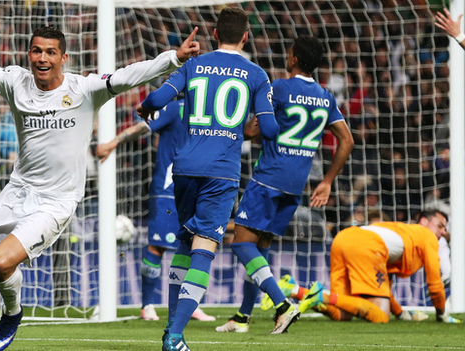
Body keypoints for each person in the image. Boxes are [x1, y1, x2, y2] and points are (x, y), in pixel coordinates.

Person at [0, 5, 200, 351]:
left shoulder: (86, 88)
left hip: (56, 201)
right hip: (18, 191)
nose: (42, 58)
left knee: (1, 261)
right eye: (36, 51)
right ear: (29, 54)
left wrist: (174, 58)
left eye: (50, 52)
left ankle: (13, 314)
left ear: (63, 57)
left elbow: (129, 74)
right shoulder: (15, 83)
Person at [136, 7, 280, 351]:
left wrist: (144, 108)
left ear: (215, 35)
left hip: (182, 168)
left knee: (185, 243)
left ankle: (172, 326)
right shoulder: (257, 74)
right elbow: (271, 130)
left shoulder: (194, 64)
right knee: (205, 247)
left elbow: (156, 99)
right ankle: (174, 337)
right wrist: (256, 126)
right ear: (246, 37)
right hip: (220, 172)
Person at [215, 35, 354, 334]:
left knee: (240, 244)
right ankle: (242, 317)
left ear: (292, 59)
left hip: (268, 177)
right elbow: (347, 140)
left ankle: (282, 304)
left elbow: (253, 131)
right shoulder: (325, 97)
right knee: (260, 248)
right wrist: (327, 181)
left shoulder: (277, 88)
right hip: (296, 184)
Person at [96, 99, 215, 322]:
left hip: (198, 186)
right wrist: (113, 143)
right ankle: (147, 305)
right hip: (168, 186)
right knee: (158, 245)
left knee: (194, 245)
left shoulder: (209, 108)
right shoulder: (174, 108)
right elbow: (144, 126)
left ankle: (189, 303)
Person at [298, 209, 461, 324]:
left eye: (445, 228)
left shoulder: (403, 233)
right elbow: (434, 283)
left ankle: (294, 290)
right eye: (439, 225)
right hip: (365, 246)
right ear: (424, 221)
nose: (443, 232)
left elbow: (384, 286)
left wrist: (399, 312)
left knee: (342, 313)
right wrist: (442, 314)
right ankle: (322, 296)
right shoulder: (427, 236)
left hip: (343, 239)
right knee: (381, 316)